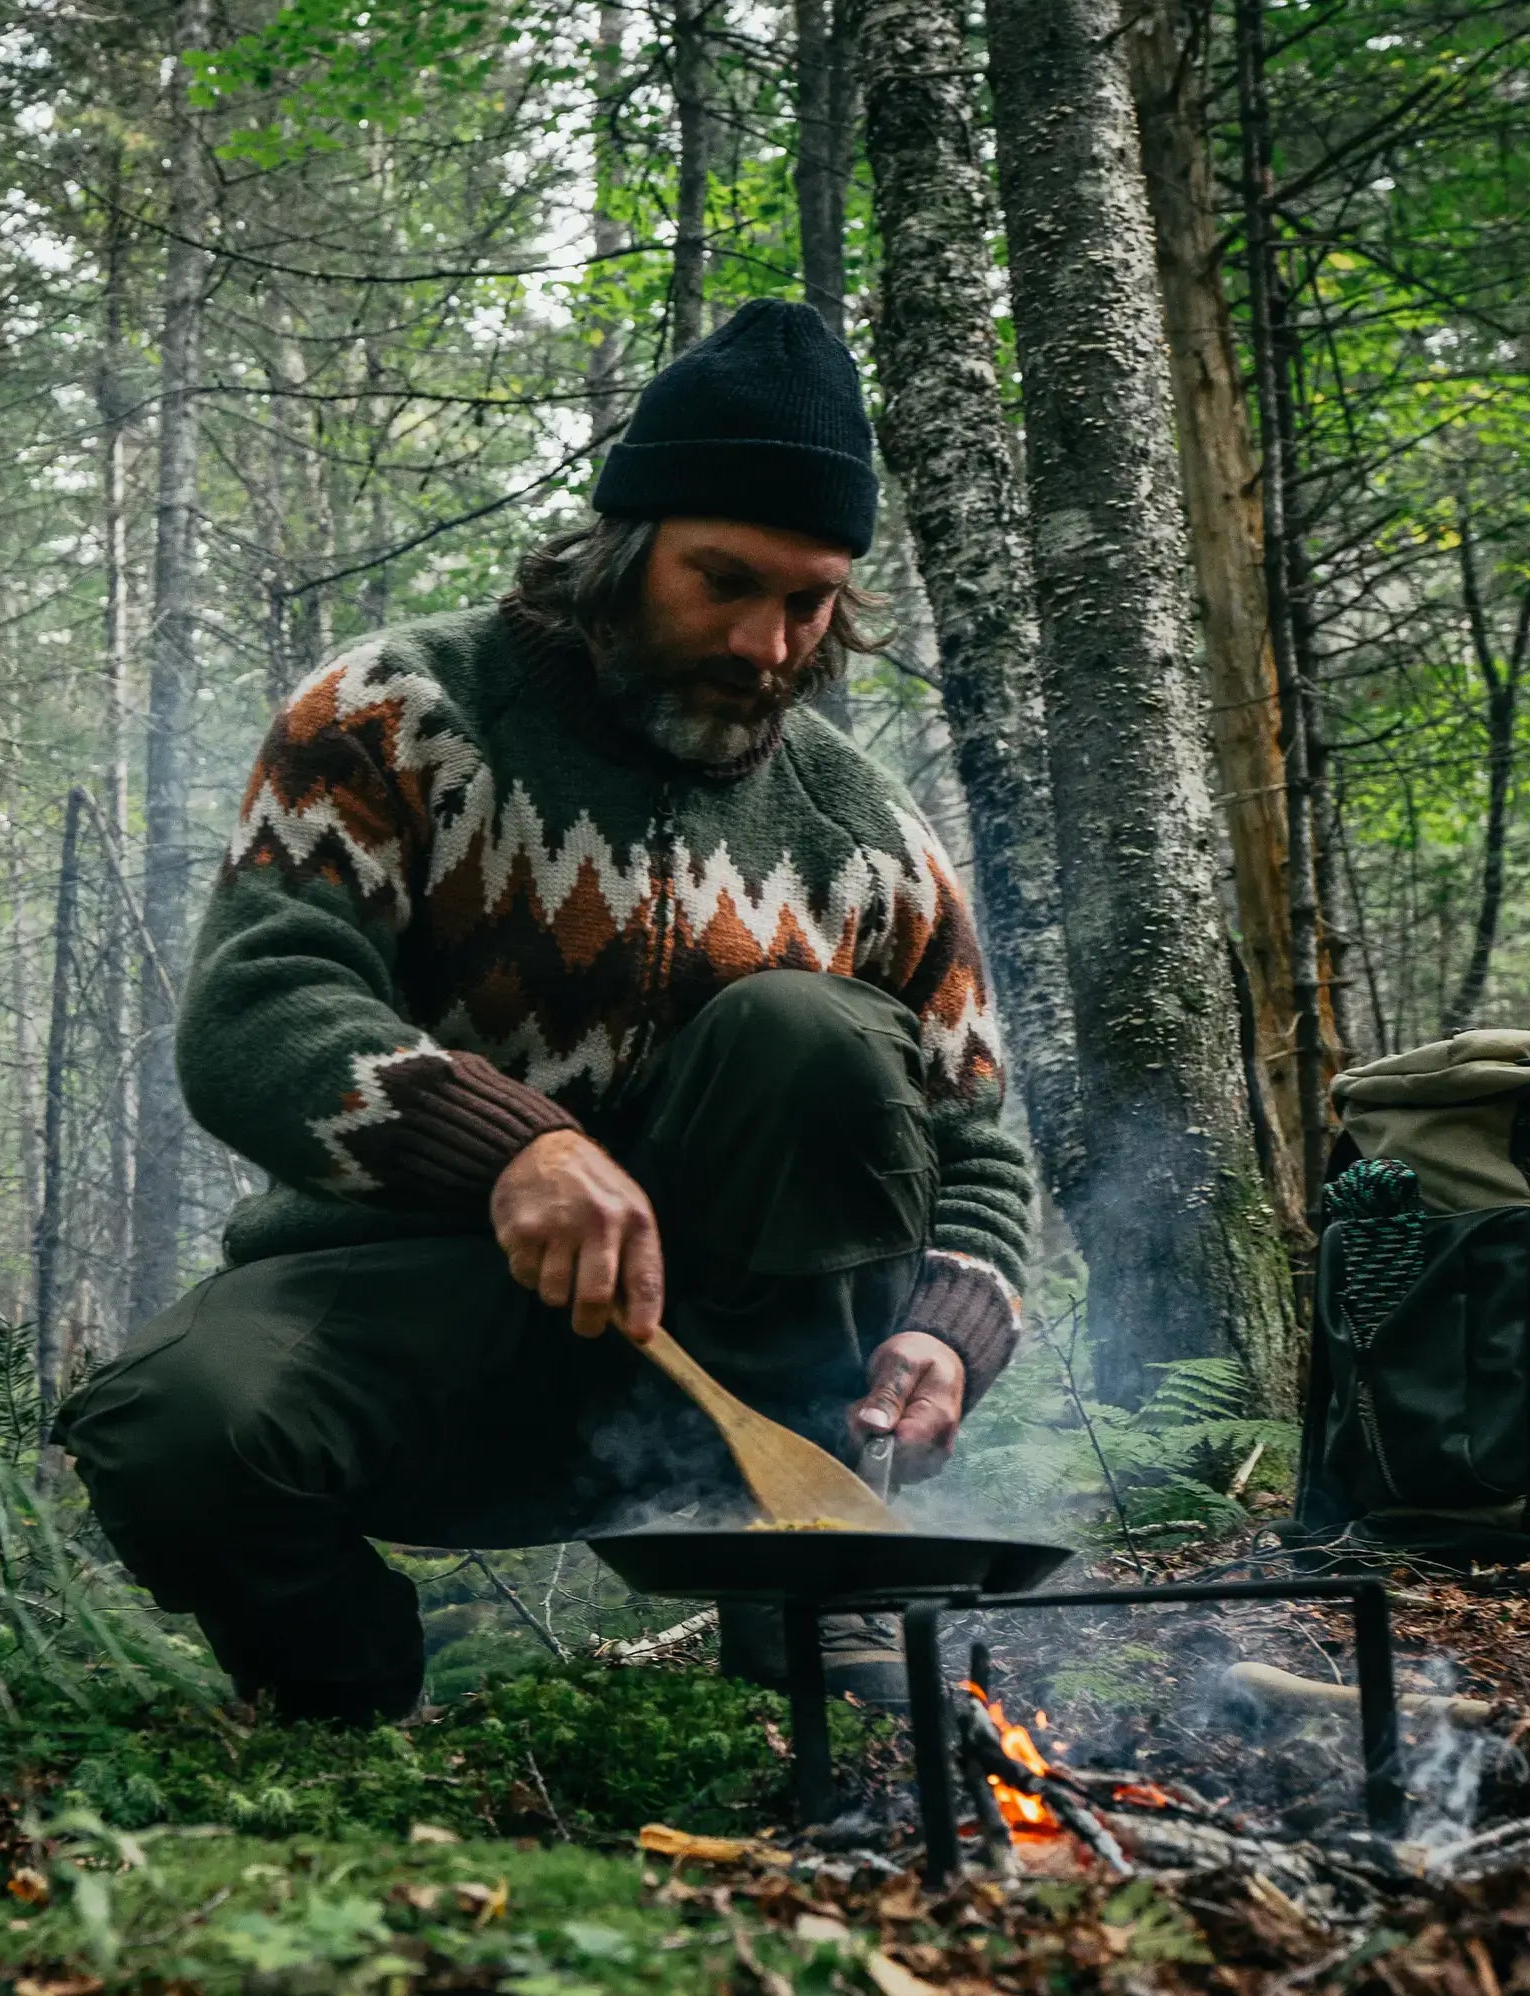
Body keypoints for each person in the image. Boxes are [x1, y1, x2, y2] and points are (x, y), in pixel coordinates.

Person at [57, 299, 1035, 1721]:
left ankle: (816, 1610)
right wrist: (510, 1144)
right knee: (174, 1430)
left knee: (811, 1033)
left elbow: (980, 1149)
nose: (768, 644)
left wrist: (948, 1330)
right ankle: (347, 1707)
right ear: (624, 545)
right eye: (724, 581)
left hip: (752, 1373)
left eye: (810, 602)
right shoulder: (398, 713)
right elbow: (255, 1011)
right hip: (423, 1314)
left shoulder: (867, 832)